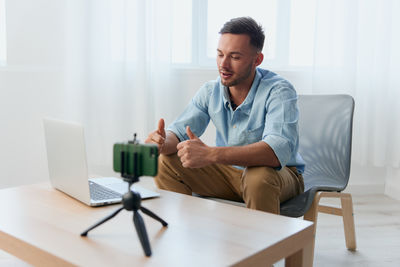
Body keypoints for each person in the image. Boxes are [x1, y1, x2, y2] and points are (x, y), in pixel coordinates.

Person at [145, 17, 305, 214]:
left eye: (235, 57)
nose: (224, 65)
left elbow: (275, 152)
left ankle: (263, 243)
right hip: (228, 174)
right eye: (220, 55)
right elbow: (178, 133)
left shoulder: (279, 91)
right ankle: (188, 234)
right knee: (165, 162)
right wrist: (161, 142)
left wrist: (211, 154)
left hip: (278, 176)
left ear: (257, 59)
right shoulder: (210, 91)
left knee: (258, 177)